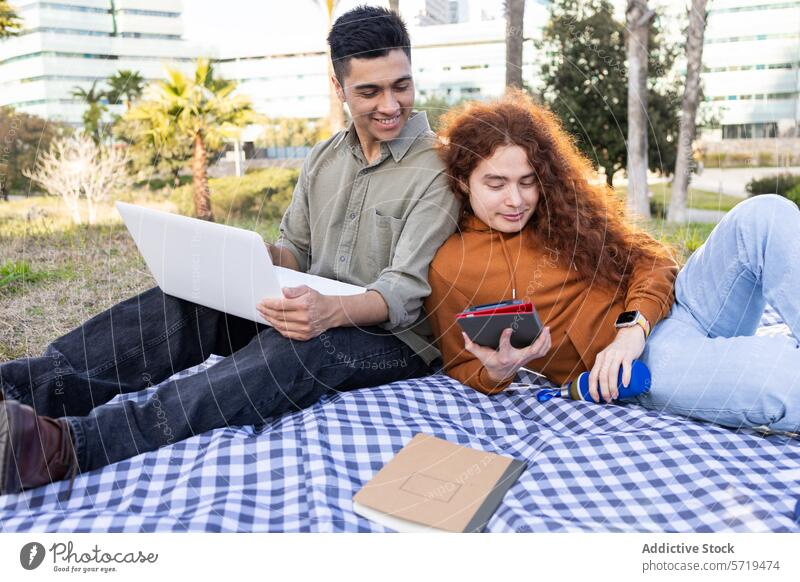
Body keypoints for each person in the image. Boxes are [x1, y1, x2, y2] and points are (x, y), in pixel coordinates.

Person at [0, 6, 460, 497]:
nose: (391, 104)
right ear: (338, 85)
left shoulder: (438, 168)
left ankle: (67, 447)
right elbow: (297, 252)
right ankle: (20, 391)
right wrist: (248, 257)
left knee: (303, 346)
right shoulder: (323, 158)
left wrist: (329, 312)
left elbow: (402, 294)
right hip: (312, 307)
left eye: (401, 85)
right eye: (370, 91)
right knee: (191, 298)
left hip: (391, 341)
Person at [425, 90, 800, 434]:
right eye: (496, 184)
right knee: (781, 377)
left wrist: (631, 330)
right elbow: (461, 366)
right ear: (462, 181)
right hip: (643, 366)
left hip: (677, 309)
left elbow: (652, 261)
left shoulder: (565, 212)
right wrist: (497, 371)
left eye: (528, 181)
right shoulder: (453, 265)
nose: (515, 200)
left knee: (765, 213)